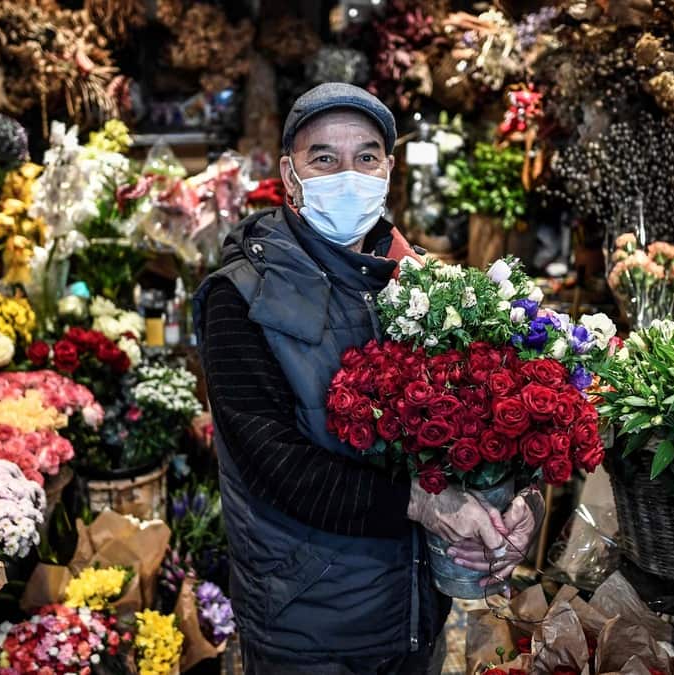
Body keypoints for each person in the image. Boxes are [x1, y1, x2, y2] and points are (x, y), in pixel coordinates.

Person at [193, 83, 540, 674]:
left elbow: (480, 421)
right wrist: (431, 506)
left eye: (366, 156)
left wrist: (518, 497)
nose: (347, 173)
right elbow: (276, 464)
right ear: (290, 173)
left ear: (388, 170)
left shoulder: (427, 286)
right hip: (309, 627)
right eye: (323, 157)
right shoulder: (241, 297)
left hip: (414, 614)